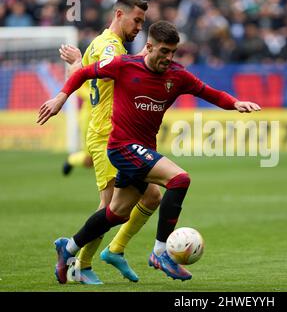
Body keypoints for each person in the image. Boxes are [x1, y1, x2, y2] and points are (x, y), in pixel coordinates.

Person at [37, 20, 261, 283]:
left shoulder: (177, 76)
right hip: (121, 147)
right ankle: (160, 251)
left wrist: (236, 103)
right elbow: (83, 73)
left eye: (173, 52)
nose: (168, 57)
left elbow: (209, 93)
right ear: (149, 47)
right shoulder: (124, 65)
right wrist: (60, 98)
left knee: (115, 213)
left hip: (142, 150)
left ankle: (70, 247)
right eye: (163, 51)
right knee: (179, 179)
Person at [55, 0, 163, 285]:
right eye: (136, 20)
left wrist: (77, 63)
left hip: (122, 135)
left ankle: (115, 249)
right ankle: (80, 263)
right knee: (109, 208)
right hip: (107, 135)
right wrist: (147, 58)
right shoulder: (108, 46)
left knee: (152, 195)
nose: (139, 26)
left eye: (143, 21)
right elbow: (118, 68)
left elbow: (82, 76)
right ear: (119, 14)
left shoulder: (98, 44)